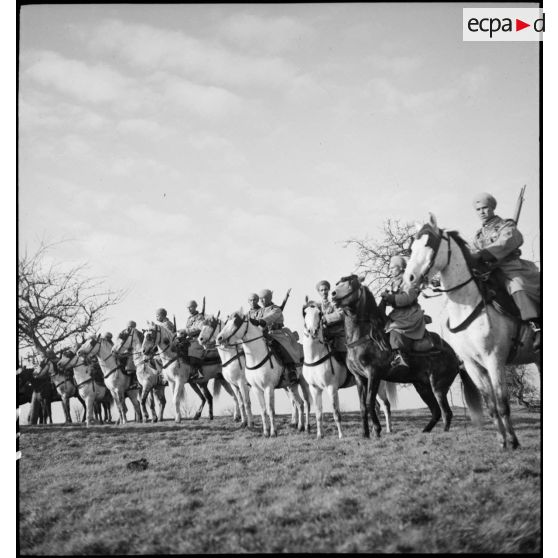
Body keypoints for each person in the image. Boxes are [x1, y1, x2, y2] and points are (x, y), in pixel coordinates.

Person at [471, 192, 540, 349]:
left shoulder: (506, 225)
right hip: (488, 273)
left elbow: (508, 241)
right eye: (478, 209)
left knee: (518, 286)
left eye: (485, 208)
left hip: (510, 269)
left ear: (492, 208)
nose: (481, 212)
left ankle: (537, 326)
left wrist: (483, 254)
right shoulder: (478, 236)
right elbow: (472, 253)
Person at [381, 256, 427, 372]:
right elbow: (394, 300)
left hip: (409, 313)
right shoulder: (394, 282)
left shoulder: (408, 280)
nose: (390, 270)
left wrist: (391, 297)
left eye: (393, 268)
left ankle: (400, 357)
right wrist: (385, 299)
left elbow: (408, 298)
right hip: (398, 313)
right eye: (390, 268)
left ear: (401, 268)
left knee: (394, 329)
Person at [251, 289, 300, 385]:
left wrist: (260, 321)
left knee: (282, 347)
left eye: (263, 298)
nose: (261, 301)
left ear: (269, 298)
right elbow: (254, 319)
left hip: (277, 334)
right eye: (260, 299)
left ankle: (291, 370)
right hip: (263, 335)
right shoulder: (259, 311)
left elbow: (270, 317)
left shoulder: (275, 309)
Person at [315, 280, 346, 362]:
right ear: (319, 292)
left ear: (328, 290)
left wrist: (325, 318)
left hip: (337, 333)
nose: (324, 292)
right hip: (323, 335)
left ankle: (349, 373)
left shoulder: (334, 303)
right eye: (321, 290)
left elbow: (340, 314)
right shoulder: (317, 306)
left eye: (325, 289)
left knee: (343, 355)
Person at [185, 300, 206, 380]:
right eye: (188, 308)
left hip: (198, 339)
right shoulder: (189, 318)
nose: (189, 309)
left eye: (190, 307)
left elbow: (199, 328)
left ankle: (198, 372)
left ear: (195, 307)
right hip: (189, 339)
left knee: (192, 349)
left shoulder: (200, 317)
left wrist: (186, 331)